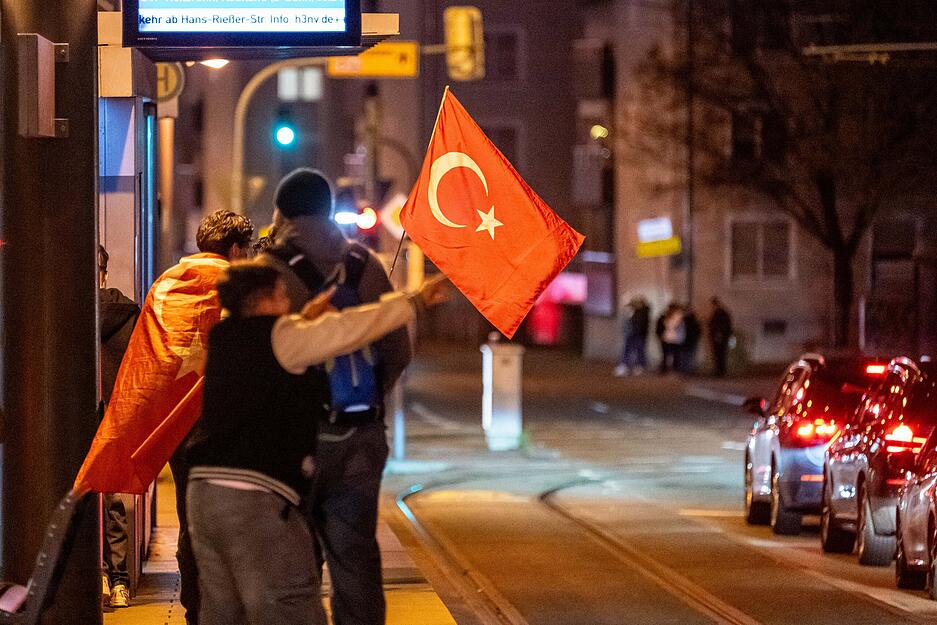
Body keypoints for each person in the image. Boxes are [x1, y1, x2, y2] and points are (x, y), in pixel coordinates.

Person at [185, 263, 448, 625]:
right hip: (256, 497)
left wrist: (303, 320)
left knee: (224, 611)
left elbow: (271, 354)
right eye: (281, 294)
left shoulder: (223, 337)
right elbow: (350, 329)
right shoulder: (280, 336)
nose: (287, 301)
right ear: (264, 299)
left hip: (203, 495)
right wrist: (414, 301)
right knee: (290, 605)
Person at [264, 168, 411, 625]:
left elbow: (257, 358)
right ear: (328, 210)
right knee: (356, 556)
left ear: (281, 214)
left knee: (293, 561)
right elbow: (398, 349)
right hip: (360, 436)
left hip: (290, 443)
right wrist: (365, 401)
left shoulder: (267, 270)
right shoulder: (366, 265)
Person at [98, 246, 141, 609]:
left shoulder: (61, 310)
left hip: (72, 420)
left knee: (77, 497)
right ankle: (120, 583)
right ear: (105, 273)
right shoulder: (128, 313)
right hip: (115, 416)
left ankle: (90, 574)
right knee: (115, 501)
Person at [615, 297, 650, 376]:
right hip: (633, 334)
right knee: (634, 350)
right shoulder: (639, 312)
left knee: (637, 350)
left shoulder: (641, 313)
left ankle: (635, 366)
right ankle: (633, 366)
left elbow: (638, 325)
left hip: (636, 334)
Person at [708, 297, 733, 377]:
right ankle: (719, 370)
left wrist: (719, 335)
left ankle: (720, 371)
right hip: (719, 336)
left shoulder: (720, 314)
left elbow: (721, 326)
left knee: (720, 354)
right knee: (719, 354)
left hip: (720, 337)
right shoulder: (719, 313)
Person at [657, 304, 685, 374]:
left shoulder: (669, 317)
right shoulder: (671, 318)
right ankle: (668, 369)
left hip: (671, 337)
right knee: (669, 354)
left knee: (672, 355)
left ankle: (672, 369)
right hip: (670, 337)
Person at [680, 307, 701, 374]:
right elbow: (698, 331)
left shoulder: (684, 321)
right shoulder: (694, 321)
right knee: (689, 355)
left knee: (687, 355)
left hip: (686, 340)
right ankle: (688, 369)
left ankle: (686, 369)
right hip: (690, 340)